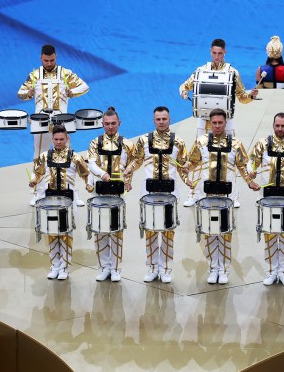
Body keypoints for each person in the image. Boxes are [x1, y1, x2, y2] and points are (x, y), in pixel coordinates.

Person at [179, 38, 258, 207]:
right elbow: (184, 86)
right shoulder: (201, 70)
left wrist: (251, 96)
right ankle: (195, 193)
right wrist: (184, 92)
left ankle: (233, 194)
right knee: (198, 157)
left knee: (230, 157)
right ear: (210, 52)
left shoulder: (232, 73)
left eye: (220, 53)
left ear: (225, 53)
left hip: (225, 121)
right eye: (214, 53)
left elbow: (242, 97)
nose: (216, 56)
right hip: (204, 119)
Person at [184, 109, 259, 284]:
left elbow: (242, 166)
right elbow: (193, 161)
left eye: (220, 123)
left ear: (226, 123)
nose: (217, 126)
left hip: (227, 195)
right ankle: (213, 268)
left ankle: (223, 269)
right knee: (209, 232)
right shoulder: (200, 142)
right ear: (209, 124)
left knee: (225, 233)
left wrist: (249, 182)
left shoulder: (236, 144)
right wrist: (188, 167)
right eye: (214, 123)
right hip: (207, 194)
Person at [18, 44, 89, 206]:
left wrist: (73, 92)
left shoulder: (65, 73)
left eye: (51, 60)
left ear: (56, 57)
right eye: (46, 60)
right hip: (40, 120)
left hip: (61, 121)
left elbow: (84, 86)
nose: (49, 63)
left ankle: (73, 192)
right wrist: (28, 93)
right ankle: (38, 192)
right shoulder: (34, 75)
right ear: (40, 58)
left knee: (69, 156)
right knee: (39, 155)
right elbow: (20, 92)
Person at [125, 106, 189, 283]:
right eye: (158, 119)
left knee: (168, 231)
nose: (161, 122)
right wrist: (128, 171)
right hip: (149, 193)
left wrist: (188, 179)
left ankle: (166, 269)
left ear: (169, 119)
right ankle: (152, 268)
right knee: (151, 231)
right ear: (154, 120)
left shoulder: (178, 142)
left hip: (170, 192)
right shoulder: (144, 140)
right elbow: (137, 160)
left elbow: (183, 166)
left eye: (164, 119)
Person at [248, 112, 284, 286]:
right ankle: (271, 271)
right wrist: (251, 171)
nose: (280, 129)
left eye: (283, 126)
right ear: (273, 126)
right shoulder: (262, 144)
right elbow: (252, 162)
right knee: (270, 234)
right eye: (277, 126)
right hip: (267, 197)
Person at [29, 125, 91, 280]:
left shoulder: (75, 157)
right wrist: (34, 181)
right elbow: (38, 172)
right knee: (51, 233)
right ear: (52, 139)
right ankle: (54, 264)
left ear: (67, 139)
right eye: (56, 139)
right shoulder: (44, 156)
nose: (58, 142)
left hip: (68, 201)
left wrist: (88, 184)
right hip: (50, 200)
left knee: (65, 234)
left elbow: (86, 174)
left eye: (61, 139)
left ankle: (64, 266)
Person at [87, 108, 135, 282]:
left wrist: (129, 178)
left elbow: (133, 163)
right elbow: (91, 164)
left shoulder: (127, 144)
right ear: (102, 124)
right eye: (107, 124)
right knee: (100, 231)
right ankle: (103, 267)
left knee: (115, 231)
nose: (110, 127)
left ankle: (115, 268)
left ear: (119, 123)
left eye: (113, 123)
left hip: (117, 194)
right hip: (98, 192)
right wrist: (101, 175)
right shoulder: (94, 143)